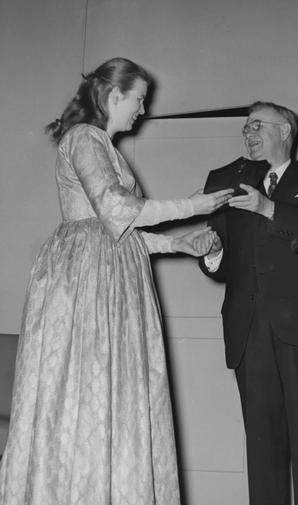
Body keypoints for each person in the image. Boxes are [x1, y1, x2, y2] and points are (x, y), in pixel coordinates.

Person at [0, 57, 232, 505]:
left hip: (109, 272)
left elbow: (122, 234)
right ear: (112, 96)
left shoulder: (104, 145)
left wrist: (177, 245)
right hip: (86, 278)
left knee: (114, 392)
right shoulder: (84, 138)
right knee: (87, 389)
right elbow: (115, 210)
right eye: (139, 99)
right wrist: (193, 204)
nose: (142, 110)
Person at [200, 101, 298, 505]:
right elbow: (222, 262)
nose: (248, 132)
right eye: (245, 127)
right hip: (250, 331)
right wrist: (211, 252)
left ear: (286, 131)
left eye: (257, 125)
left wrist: (269, 208)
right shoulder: (227, 183)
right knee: (263, 453)